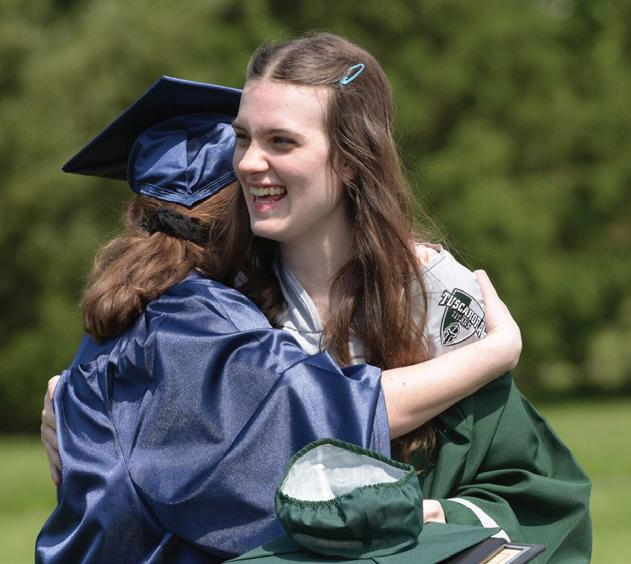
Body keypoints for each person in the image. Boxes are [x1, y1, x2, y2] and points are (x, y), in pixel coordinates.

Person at [37, 76, 523, 562]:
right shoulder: (201, 315)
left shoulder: (127, 313)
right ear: (238, 216)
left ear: (134, 213)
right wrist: (496, 352)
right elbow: (331, 413)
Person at [216, 32, 591, 561]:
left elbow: (531, 492)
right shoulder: (219, 304)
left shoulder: (434, 297)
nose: (250, 162)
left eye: (281, 141)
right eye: (242, 138)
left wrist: (441, 517)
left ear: (351, 157)